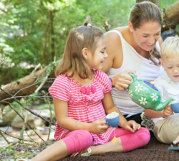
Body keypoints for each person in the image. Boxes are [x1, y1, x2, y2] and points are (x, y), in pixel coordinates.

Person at [33, 20, 150, 161]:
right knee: (84, 136)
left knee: (143, 134)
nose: (106, 56)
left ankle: (93, 150)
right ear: (86, 53)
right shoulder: (62, 83)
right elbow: (62, 120)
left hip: (105, 136)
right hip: (75, 134)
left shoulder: (101, 78)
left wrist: (125, 124)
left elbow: (111, 108)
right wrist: (89, 127)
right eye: (102, 51)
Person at [102, 1, 164, 124]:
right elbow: (85, 80)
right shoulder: (113, 40)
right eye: (145, 35)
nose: (152, 41)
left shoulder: (158, 41)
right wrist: (111, 80)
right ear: (131, 26)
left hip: (161, 109)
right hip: (128, 117)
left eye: (157, 33)